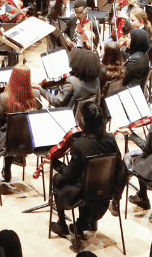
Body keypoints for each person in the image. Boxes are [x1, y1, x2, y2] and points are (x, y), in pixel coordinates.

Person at [51, 98, 121, 241]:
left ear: (84, 120)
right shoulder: (110, 139)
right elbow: (119, 167)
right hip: (105, 193)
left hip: (85, 194)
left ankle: (62, 224)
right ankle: (87, 222)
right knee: (90, 178)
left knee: (57, 179)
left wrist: (57, 166)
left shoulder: (80, 144)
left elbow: (70, 175)